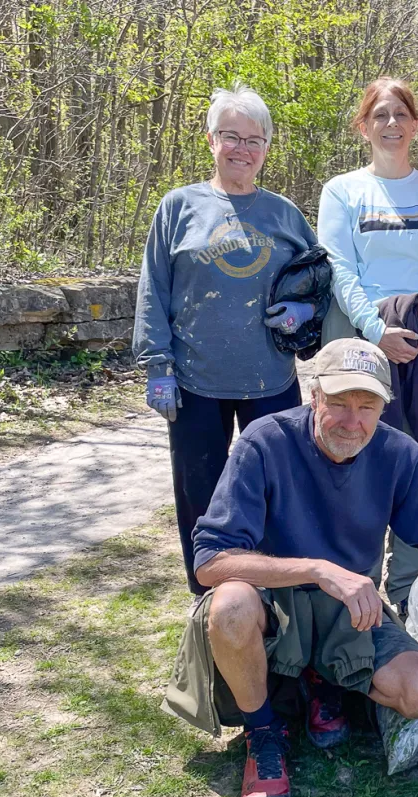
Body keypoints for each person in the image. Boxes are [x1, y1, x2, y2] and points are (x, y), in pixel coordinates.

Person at [161, 338, 418, 797]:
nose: (352, 422)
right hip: (272, 608)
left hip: (349, 616)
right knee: (228, 606)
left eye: (367, 406)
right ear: (314, 396)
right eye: (338, 404)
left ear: (383, 408)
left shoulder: (399, 454)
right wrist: (316, 569)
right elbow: (208, 562)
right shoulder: (264, 441)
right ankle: (264, 732)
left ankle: (321, 680)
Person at [133, 83, 320, 595]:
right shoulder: (178, 208)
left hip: (271, 379)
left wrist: (304, 309)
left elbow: (321, 279)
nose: (242, 149)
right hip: (194, 382)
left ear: (266, 147)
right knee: (202, 495)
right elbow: (154, 288)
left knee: (278, 488)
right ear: (211, 140)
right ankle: (209, 596)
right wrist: (157, 366)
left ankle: (276, 591)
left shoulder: (284, 214)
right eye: (230, 136)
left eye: (254, 139)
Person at [317, 78, 418, 610]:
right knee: (348, 448)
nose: (391, 124)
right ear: (364, 126)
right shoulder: (342, 191)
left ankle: (408, 586)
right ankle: (351, 583)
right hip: (357, 338)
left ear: (416, 125)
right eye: (380, 115)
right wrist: (377, 330)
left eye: (401, 114)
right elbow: (339, 266)